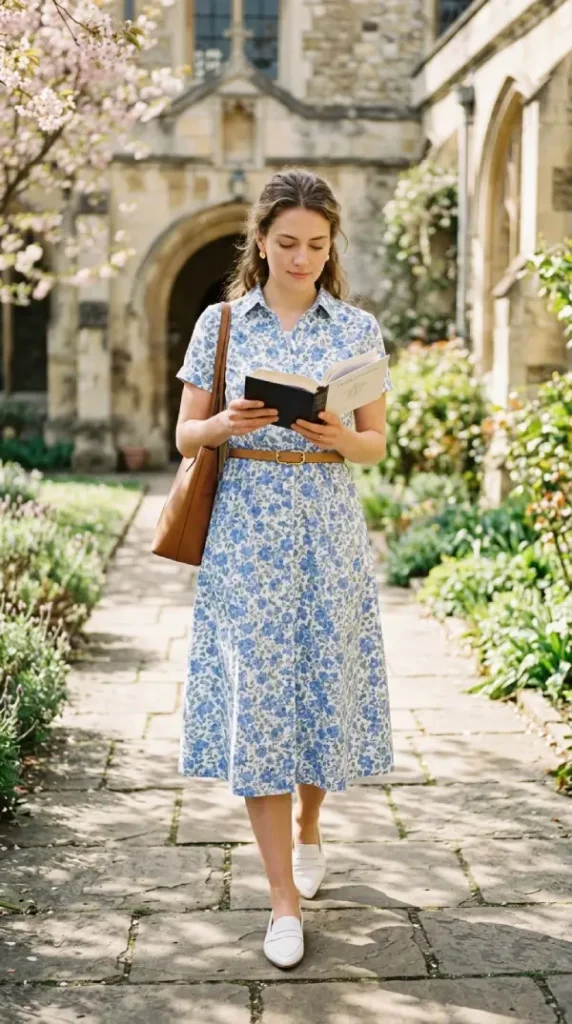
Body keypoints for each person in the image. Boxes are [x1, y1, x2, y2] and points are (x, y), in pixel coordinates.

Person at [175, 168, 394, 969]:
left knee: (320, 689)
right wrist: (224, 423)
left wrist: (342, 438)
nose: (302, 258)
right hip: (247, 531)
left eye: (318, 244)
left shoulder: (356, 330)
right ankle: (282, 902)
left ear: (331, 246)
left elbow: (376, 442)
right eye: (288, 243)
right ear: (261, 241)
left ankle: (310, 826)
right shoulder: (221, 322)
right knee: (261, 700)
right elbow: (183, 436)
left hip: (329, 527)